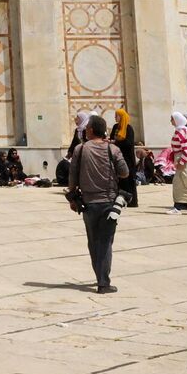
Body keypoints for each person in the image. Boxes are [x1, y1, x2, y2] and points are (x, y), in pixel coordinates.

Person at [70, 114, 129, 293]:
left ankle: (100, 278)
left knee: (93, 241)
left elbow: (72, 177)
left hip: (88, 202)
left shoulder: (80, 149)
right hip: (109, 202)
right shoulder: (113, 150)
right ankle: (103, 282)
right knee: (105, 241)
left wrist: (72, 198)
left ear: (90, 130)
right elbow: (125, 172)